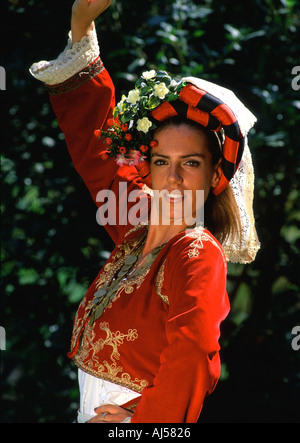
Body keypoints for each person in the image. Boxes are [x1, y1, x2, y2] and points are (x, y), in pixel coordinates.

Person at [30, 0, 260, 423]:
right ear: (145, 169)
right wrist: (81, 25)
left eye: (190, 163)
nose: (172, 178)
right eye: (160, 161)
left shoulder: (195, 253)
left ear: (214, 178)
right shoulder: (136, 229)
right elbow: (95, 149)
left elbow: (193, 356)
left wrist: (142, 424)